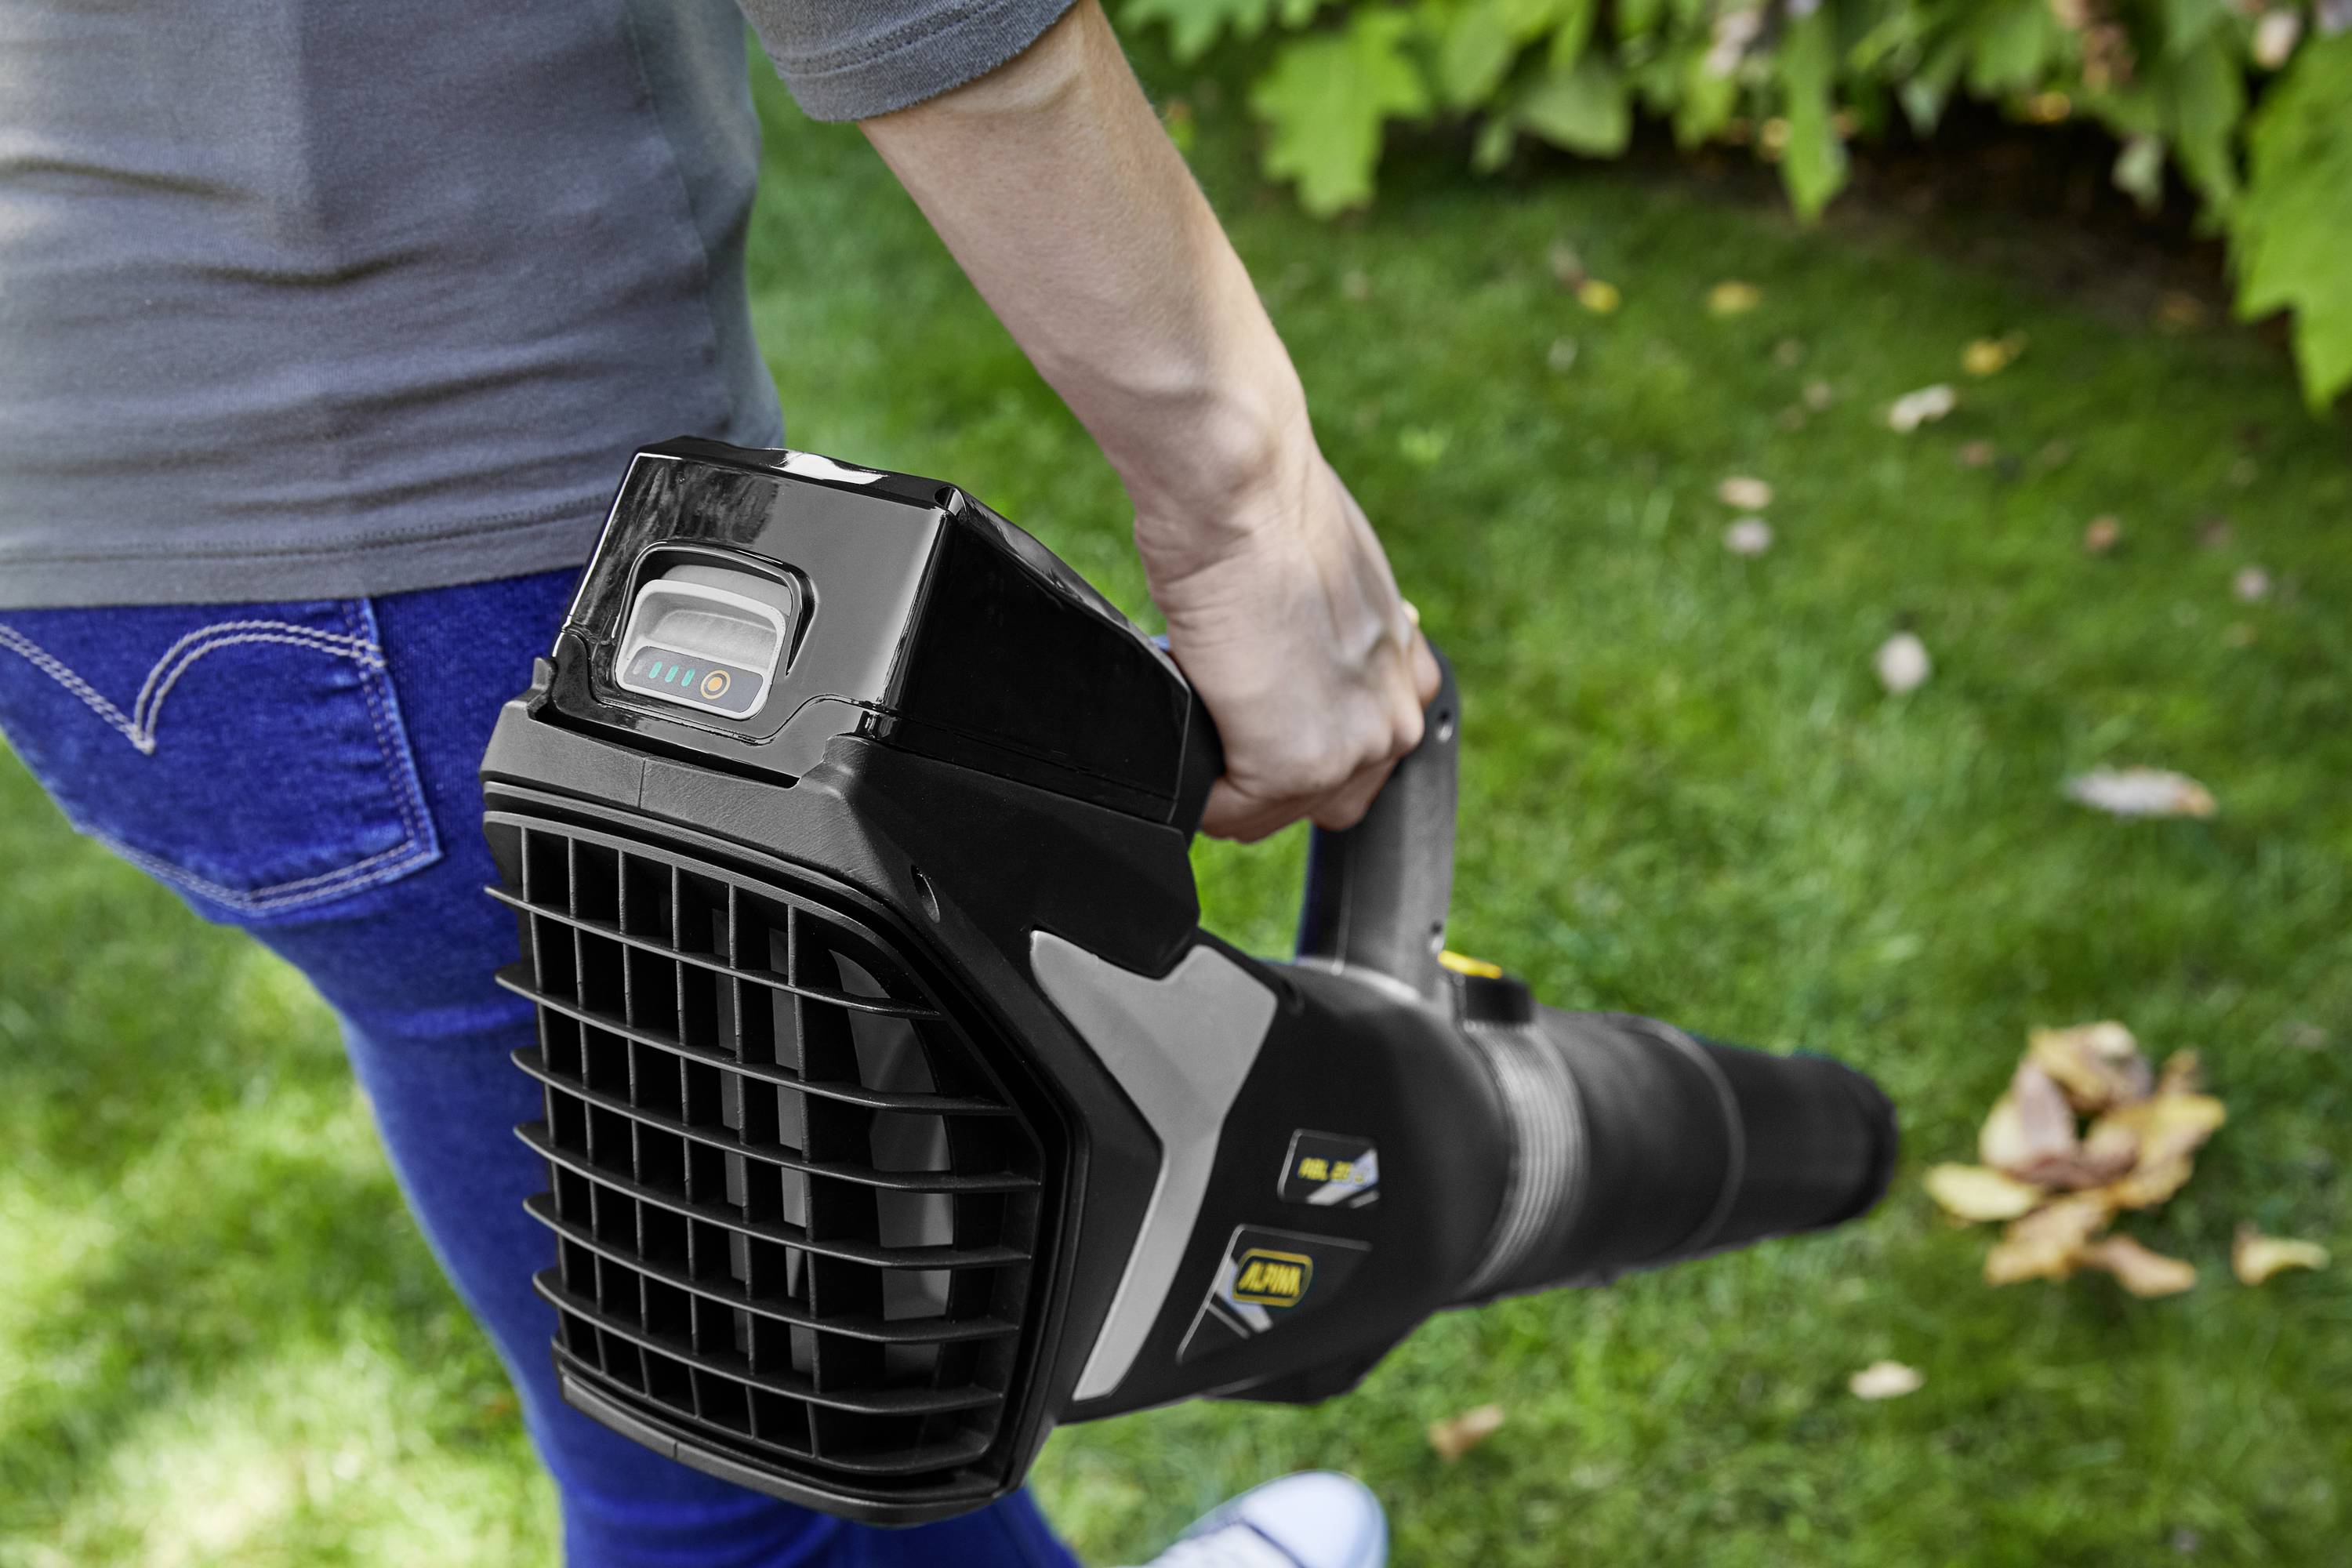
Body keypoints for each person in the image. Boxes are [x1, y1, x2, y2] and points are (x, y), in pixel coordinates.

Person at [0, 0, 1432, 1563]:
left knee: (800, 1345)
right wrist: (1247, 510)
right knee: (724, 1469)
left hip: (87, 529)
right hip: (421, 541)